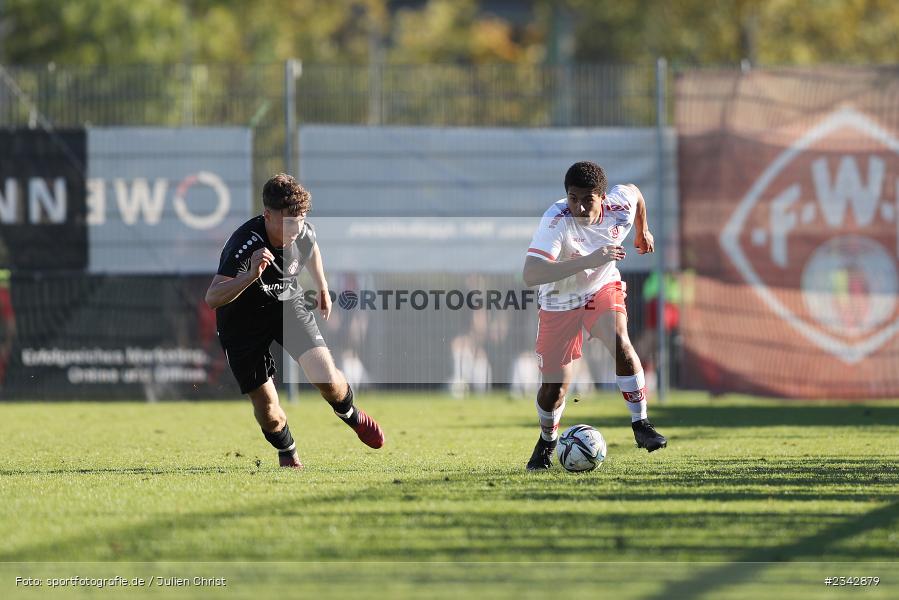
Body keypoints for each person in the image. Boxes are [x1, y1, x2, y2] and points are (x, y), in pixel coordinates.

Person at [205, 173, 384, 469]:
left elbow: (312, 248)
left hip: (286, 306)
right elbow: (213, 297)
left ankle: (351, 415)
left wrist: (322, 286)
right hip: (242, 324)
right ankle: (288, 451)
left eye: (300, 220)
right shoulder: (245, 243)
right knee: (269, 411)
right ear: (267, 215)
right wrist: (249, 276)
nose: (296, 228)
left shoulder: (301, 231)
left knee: (326, 377)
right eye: (288, 221)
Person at [522, 161, 667, 470]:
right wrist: (589, 259)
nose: (579, 207)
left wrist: (642, 230)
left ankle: (641, 424)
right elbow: (531, 273)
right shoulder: (556, 220)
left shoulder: (620, 207)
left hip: (601, 287)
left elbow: (636, 194)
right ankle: (547, 442)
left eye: (587, 199)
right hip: (559, 299)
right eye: (573, 198)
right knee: (555, 389)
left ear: (602, 197)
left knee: (618, 339)